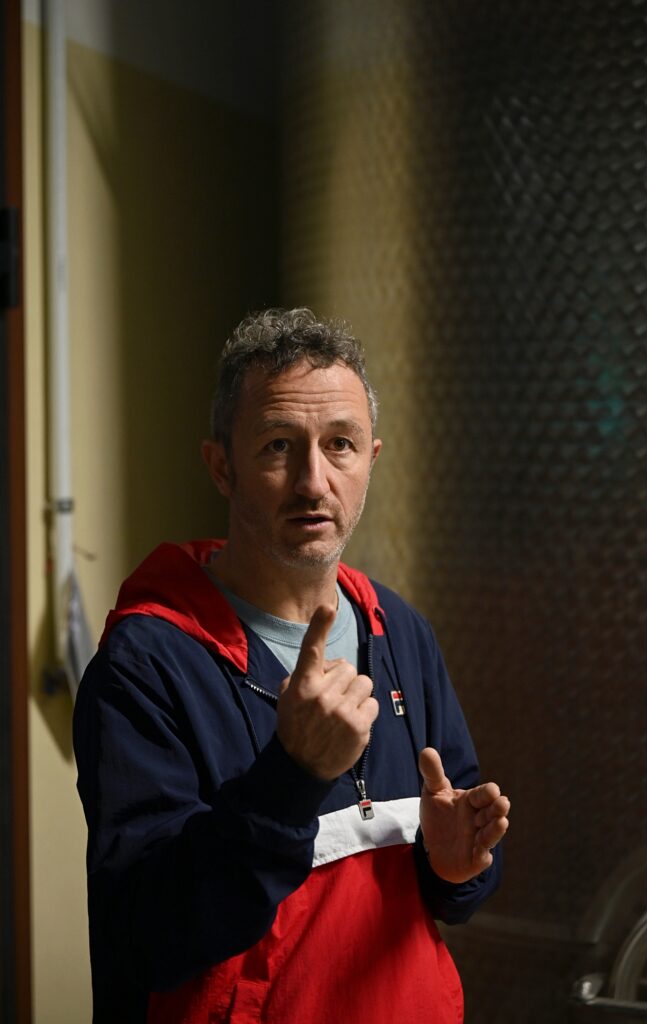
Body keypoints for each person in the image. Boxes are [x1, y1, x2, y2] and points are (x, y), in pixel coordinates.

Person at [74, 307, 510, 1024]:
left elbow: (449, 873)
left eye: (340, 445)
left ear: (371, 460)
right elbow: (146, 936)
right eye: (279, 446)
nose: (314, 481)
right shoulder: (147, 665)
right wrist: (293, 774)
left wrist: (455, 868)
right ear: (222, 467)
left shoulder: (399, 630)